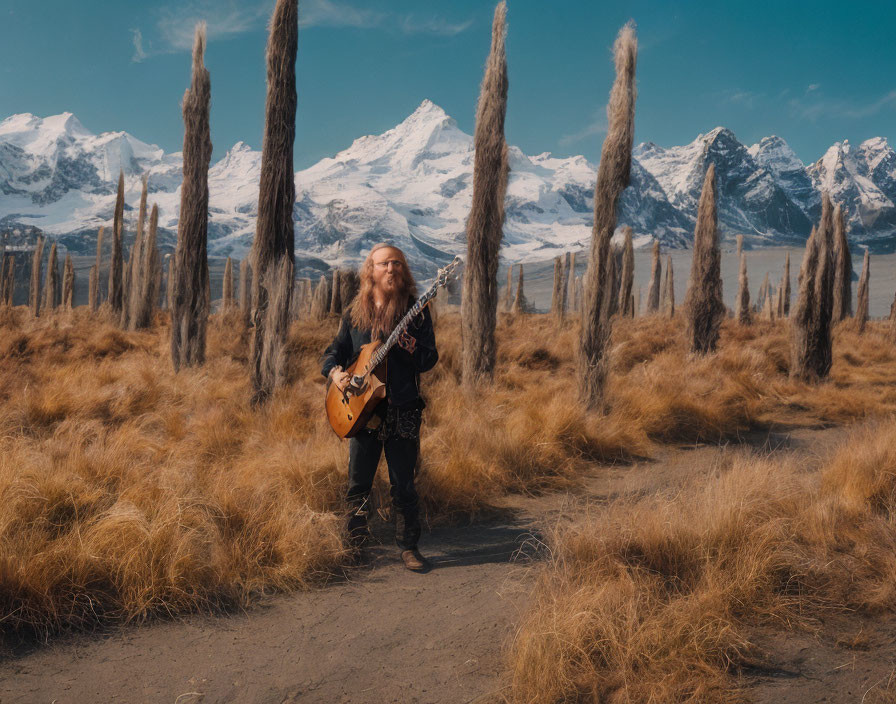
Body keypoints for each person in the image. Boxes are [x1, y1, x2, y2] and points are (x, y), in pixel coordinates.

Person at [321, 243, 438, 572]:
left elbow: (429, 359)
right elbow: (334, 352)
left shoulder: (415, 312)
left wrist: (409, 344)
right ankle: (356, 544)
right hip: (362, 410)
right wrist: (337, 374)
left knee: (404, 483)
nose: (392, 269)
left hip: (403, 408)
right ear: (370, 271)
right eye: (384, 264)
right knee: (359, 482)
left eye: (397, 264)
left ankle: (409, 547)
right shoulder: (355, 312)